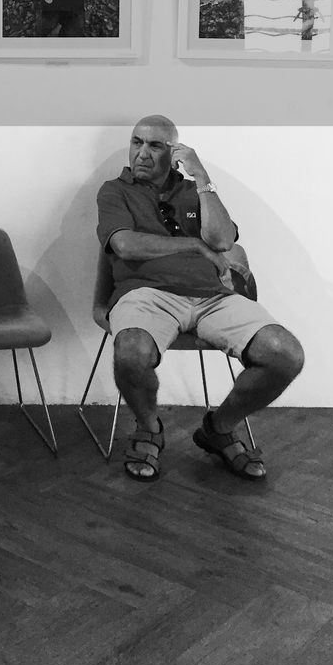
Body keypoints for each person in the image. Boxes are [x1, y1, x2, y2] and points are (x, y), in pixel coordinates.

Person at [96, 114, 304, 482]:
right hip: (147, 294)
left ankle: (219, 428)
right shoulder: (115, 190)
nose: (142, 153)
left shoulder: (194, 192)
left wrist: (203, 178)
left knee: (285, 354)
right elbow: (124, 244)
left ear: (174, 152)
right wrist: (193, 244)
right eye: (137, 142)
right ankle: (149, 428)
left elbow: (223, 241)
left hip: (213, 298)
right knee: (130, 352)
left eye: (155, 145)